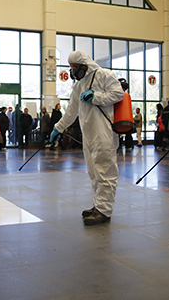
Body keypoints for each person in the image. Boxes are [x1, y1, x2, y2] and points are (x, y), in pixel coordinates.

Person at [50, 50, 124, 225]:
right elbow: (71, 111)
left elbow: (118, 94)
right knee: (94, 172)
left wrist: (96, 97)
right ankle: (98, 205)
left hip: (104, 132)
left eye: (74, 67)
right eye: (71, 68)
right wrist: (58, 128)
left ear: (85, 65)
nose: (72, 71)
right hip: (89, 134)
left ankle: (104, 210)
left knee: (105, 170)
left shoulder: (104, 74)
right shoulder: (79, 85)